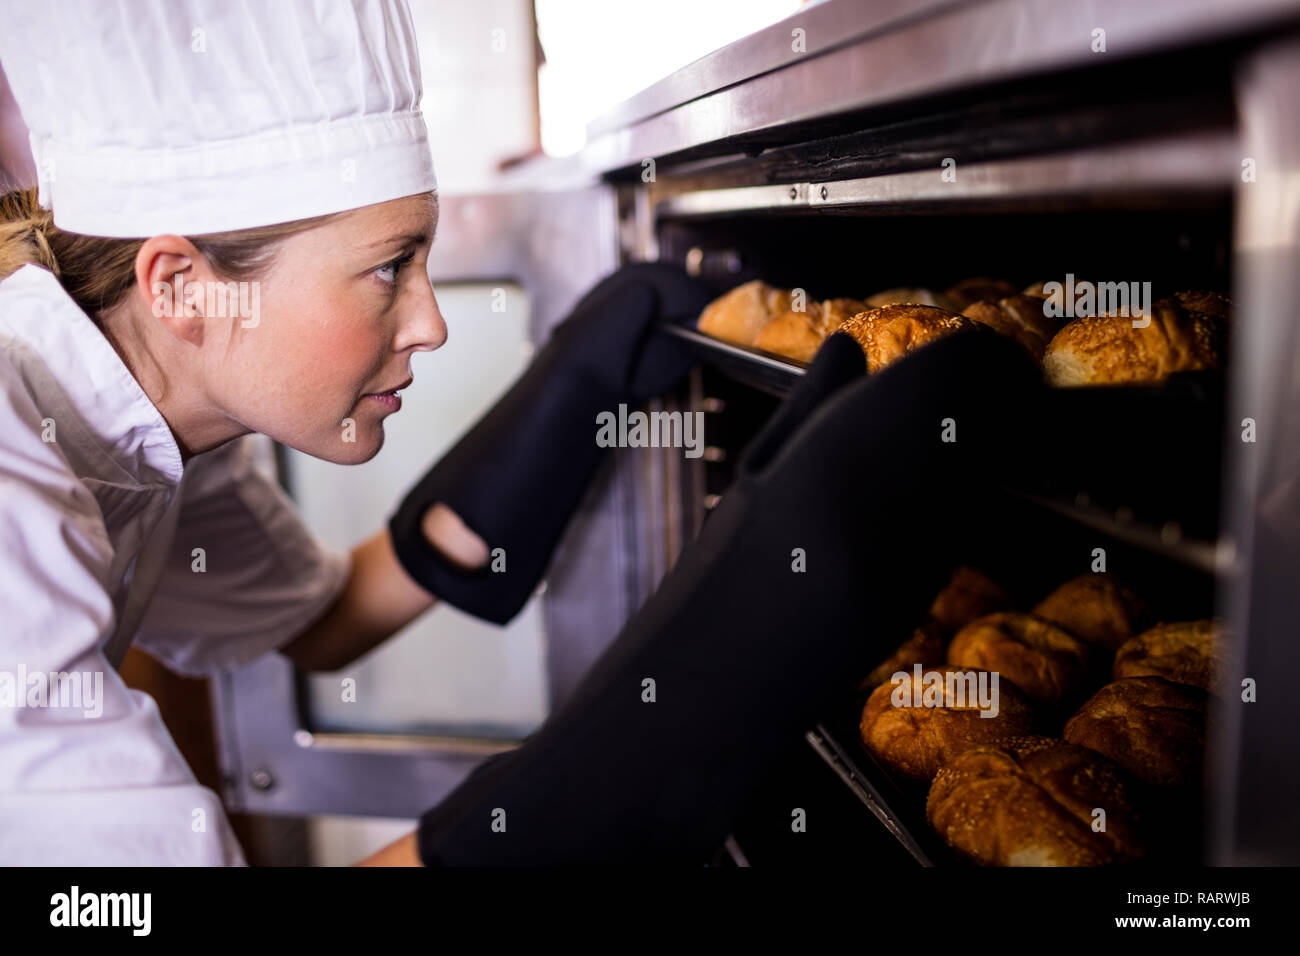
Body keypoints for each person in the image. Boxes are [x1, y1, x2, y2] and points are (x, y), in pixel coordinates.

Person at [0, 0, 1042, 866]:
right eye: (387, 266)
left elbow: (321, 618)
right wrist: (686, 694)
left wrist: (564, 399)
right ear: (179, 285)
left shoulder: (156, 422)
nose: (431, 319)